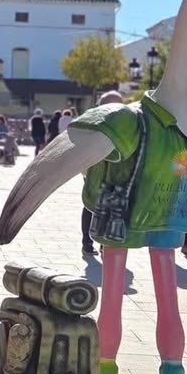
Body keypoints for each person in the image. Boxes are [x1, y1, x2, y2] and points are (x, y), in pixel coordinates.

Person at [81, 92, 124, 256]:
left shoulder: (124, 123)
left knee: (112, 207)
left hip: (116, 172)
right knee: (90, 205)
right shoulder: (92, 122)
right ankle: (87, 242)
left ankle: (104, 242)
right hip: (94, 170)